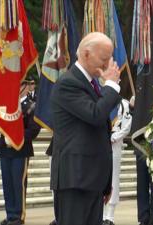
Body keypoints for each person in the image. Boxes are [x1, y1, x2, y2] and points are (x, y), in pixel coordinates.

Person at [50, 32, 121, 225]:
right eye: (104, 59)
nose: (107, 65)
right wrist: (112, 86)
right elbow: (95, 114)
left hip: (91, 180)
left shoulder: (90, 85)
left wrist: (105, 184)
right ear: (86, 54)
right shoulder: (69, 83)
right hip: (75, 179)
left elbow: (98, 134)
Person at [0, 79, 41, 225]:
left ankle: (18, 215)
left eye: (19, 84)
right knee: (7, 184)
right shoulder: (7, 105)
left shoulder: (31, 106)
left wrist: (16, 137)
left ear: (25, 87)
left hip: (20, 150)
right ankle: (10, 214)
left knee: (18, 183)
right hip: (5, 149)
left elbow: (34, 130)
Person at [102, 98, 132, 225]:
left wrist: (114, 137)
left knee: (113, 177)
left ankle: (110, 216)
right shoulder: (100, 100)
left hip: (114, 144)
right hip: (100, 144)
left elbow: (127, 126)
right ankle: (101, 214)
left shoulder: (123, 103)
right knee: (100, 177)